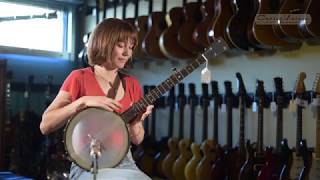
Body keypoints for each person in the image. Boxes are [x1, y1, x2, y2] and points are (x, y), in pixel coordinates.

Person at [40, 18, 153, 179]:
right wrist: (82, 101)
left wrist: (136, 123)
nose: (127, 53)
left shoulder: (132, 84)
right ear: (104, 43)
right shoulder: (78, 78)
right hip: (88, 163)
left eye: (131, 47)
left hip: (125, 163)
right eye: (121, 46)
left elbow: (137, 139)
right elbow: (45, 125)